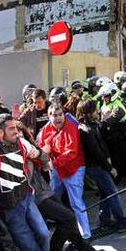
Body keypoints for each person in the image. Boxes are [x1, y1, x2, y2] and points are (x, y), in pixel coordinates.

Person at [16, 122, 106, 251]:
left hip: (45, 191)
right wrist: (32, 158)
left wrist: (39, 154)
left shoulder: (30, 147)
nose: (18, 136)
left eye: (20, 132)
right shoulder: (16, 153)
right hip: (35, 197)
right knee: (68, 218)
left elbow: (45, 161)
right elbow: (26, 176)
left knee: (68, 220)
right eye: (15, 133)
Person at [0, 114, 55, 251]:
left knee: (44, 234)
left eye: (16, 128)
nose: (17, 132)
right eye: (11, 129)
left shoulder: (21, 142)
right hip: (9, 208)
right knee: (30, 246)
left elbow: (38, 153)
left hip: (27, 198)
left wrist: (46, 161)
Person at [77, 99, 126, 232]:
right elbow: (97, 152)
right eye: (94, 110)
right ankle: (121, 222)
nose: (97, 112)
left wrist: (114, 116)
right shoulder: (84, 130)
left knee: (105, 193)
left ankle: (104, 220)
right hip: (96, 167)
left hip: (100, 166)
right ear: (87, 113)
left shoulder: (92, 125)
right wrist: (110, 168)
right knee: (112, 193)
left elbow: (103, 128)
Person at [37, 103, 91, 240]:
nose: (58, 118)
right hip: (57, 170)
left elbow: (71, 152)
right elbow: (41, 146)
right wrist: (44, 154)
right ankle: (58, 224)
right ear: (48, 117)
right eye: (54, 115)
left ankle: (86, 234)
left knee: (76, 202)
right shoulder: (46, 129)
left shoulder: (70, 127)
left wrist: (51, 163)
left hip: (74, 169)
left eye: (60, 114)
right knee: (51, 197)